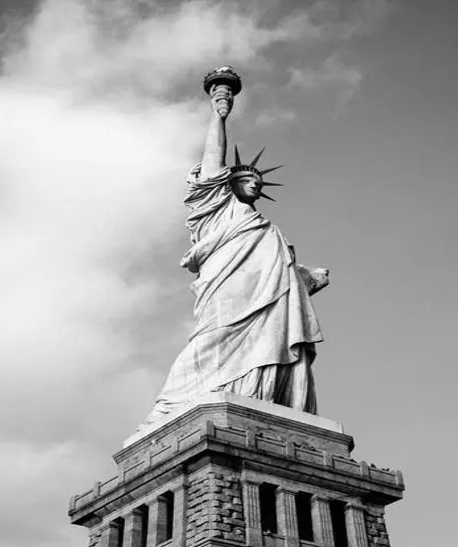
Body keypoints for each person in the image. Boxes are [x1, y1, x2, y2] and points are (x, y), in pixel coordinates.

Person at [138, 83, 324, 434]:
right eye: (246, 178)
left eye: (258, 182)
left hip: (271, 304)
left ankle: (262, 398)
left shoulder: (265, 227)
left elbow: (275, 269)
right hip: (227, 296)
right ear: (226, 184)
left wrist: (305, 277)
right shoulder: (218, 210)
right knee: (211, 343)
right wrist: (218, 113)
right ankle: (172, 406)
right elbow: (213, 162)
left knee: (270, 344)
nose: (255, 184)